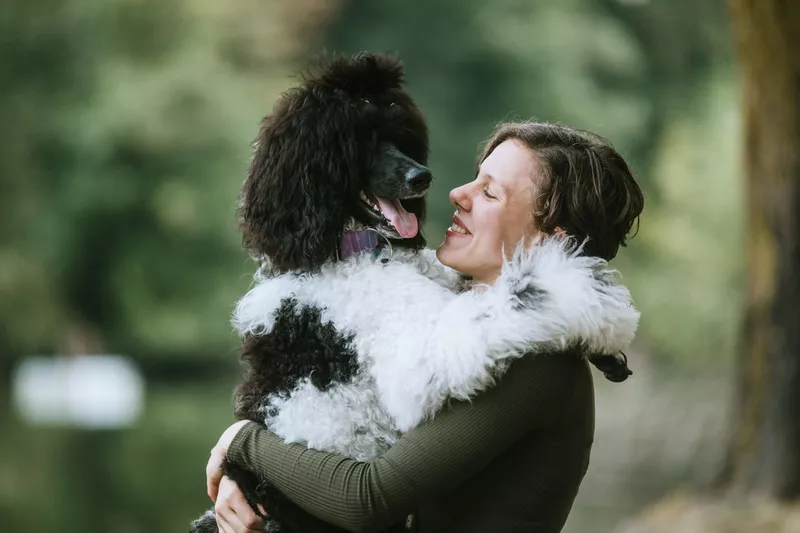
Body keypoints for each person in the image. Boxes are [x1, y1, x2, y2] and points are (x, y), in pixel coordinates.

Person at [205, 121, 644, 533]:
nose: (456, 193)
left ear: (550, 238)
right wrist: (251, 484)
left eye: (489, 193)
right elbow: (342, 443)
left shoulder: (535, 358)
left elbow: (367, 497)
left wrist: (242, 442)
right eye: (474, 178)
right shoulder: (454, 334)